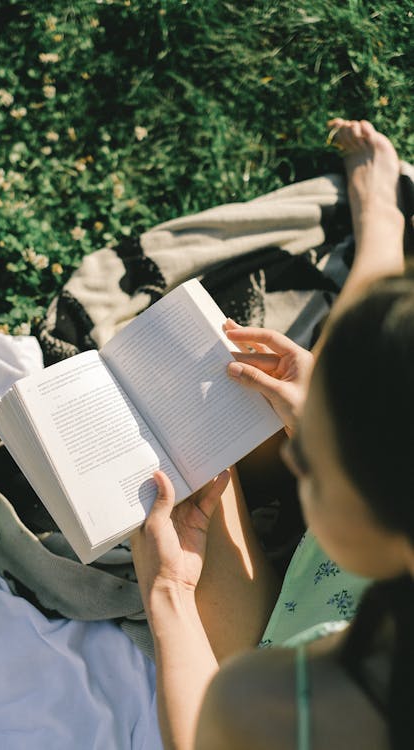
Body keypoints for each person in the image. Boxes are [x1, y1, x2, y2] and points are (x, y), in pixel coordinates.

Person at [131, 119, 411, 749]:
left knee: (179, 457)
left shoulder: (275, 708)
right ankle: (382, 234)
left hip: (274, 647)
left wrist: (167, 593)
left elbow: (199, 737)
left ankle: (381, 236)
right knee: (371, 367)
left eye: (313, 465)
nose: (298, 461)